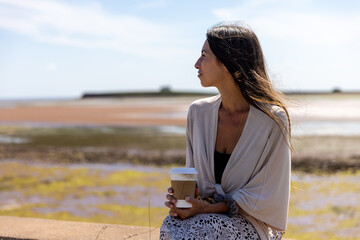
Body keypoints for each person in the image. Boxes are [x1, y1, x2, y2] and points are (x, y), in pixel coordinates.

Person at [160, 22, 291, 240]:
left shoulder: (273, 120)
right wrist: (187, 200)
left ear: (228, 63)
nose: (196, 64)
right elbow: (194, 179)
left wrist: (205, 210)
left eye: (204, 55)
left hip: (251, 223)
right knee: (171, 226)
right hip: (202, 217)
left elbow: (266, 196)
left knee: (204, 230)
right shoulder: (197, 112)